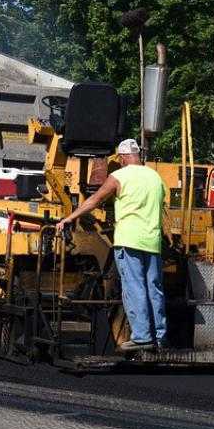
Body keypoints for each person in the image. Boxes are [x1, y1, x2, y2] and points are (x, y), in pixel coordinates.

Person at [55, 139, 167, 352]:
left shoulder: (119, 176)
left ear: (123, 157)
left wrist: (70, 218)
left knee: (134, 287)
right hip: (153, 242)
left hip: (129, 240)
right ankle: (159, 336)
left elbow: (94, 201)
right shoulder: (155, 177)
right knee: (154, 288)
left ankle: (142, 337)